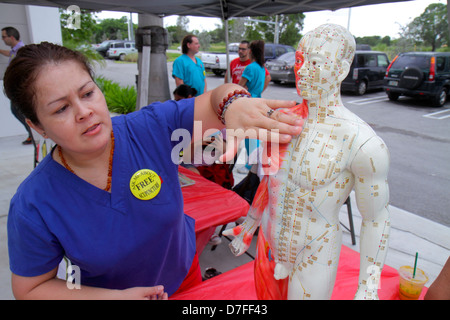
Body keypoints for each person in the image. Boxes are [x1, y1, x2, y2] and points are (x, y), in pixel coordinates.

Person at [4, 42, 303, 300]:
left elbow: (215, 100)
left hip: (186, 281)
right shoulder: (34, 203)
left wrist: (232, 105)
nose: (84, 112)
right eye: (61, 109)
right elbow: (31, 288)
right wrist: (115, 298)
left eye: (87, 93)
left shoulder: (148, 129)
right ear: (37, 126)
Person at [224, 24, 391, 300]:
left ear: (341, 69)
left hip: (314, 252)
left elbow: (376, 219)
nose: (302, 71)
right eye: (300, 61)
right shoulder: (285, 119)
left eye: (315, 63)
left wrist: (369, 285)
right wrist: (250, 224)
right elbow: (271, 178)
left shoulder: (362, 142)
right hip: (268, 243)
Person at [1, 26, 32, 145]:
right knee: (16, 111)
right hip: (15, 89)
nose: (3, 39)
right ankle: (31, 134)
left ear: (11, 37)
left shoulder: (21, 51)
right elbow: (9, 53)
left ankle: (32, 134)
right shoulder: (14, 51)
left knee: (20, 112)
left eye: (4, 37)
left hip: (20, 89)